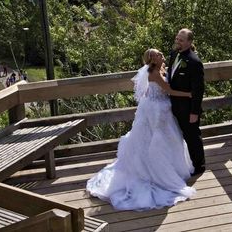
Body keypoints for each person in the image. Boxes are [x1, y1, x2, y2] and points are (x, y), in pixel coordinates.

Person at [86, 49, 196, 210]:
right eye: (158, 54)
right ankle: (154, 172)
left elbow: (149, 89)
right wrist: (188, 95)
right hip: (156, 109)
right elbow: (169, 90)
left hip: (159, 106)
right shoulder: (153, 72)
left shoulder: (161, 68)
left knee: (167, 137)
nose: (161, 55)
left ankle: (172, 167)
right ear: (152, 59)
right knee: (155, 140)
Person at [167, 29, 206, 175]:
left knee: (192, 137)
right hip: (174, 106)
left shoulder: (194, 62)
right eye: (177, 38)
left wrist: (194, 112)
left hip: (188, 108)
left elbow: (199, 90)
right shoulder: (173, 54)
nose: (178, 41)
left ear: (189, 42)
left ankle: (199, 165)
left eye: (181, 40)